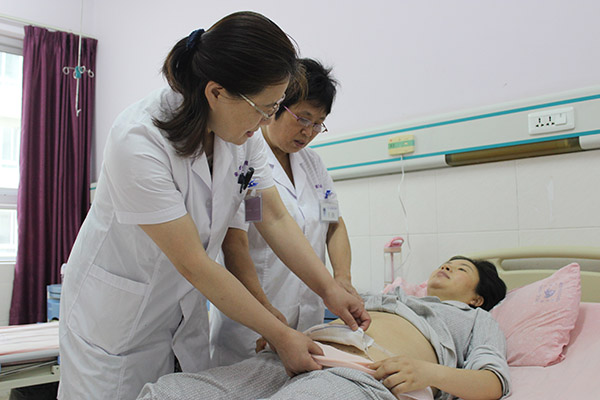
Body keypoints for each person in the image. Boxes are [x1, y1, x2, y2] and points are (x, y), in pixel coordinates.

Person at [57, 11, 369, 400]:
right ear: (217, 92)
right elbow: (194, 262)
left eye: (274, 108)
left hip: (180, 317)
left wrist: (329, 289)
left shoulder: (241, 136)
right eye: (265, 108)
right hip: (113, 326)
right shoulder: (137, 140)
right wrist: (278, 331)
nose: (267, 120)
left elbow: (273, 217)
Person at [137, 256, 510, 400]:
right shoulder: (386, 297)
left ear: (478, 297)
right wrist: (283, 335)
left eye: (461, 268)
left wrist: (427, 373)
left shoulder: (475, 319)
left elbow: (493, 382)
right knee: (169, 392)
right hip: (294, 358)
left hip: (363, 375)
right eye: (446, 262)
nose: (446, 266)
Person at [210, 58, 360, 367]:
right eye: (303, 118)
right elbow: (234, 242)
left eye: (318, 123)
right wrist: (263, 309)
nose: (308, 131)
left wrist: (341, 279)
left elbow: (333, 224)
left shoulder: (312, 164)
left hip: (308, 316)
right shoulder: (244, 156)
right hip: (253, 323)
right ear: (275, 106)